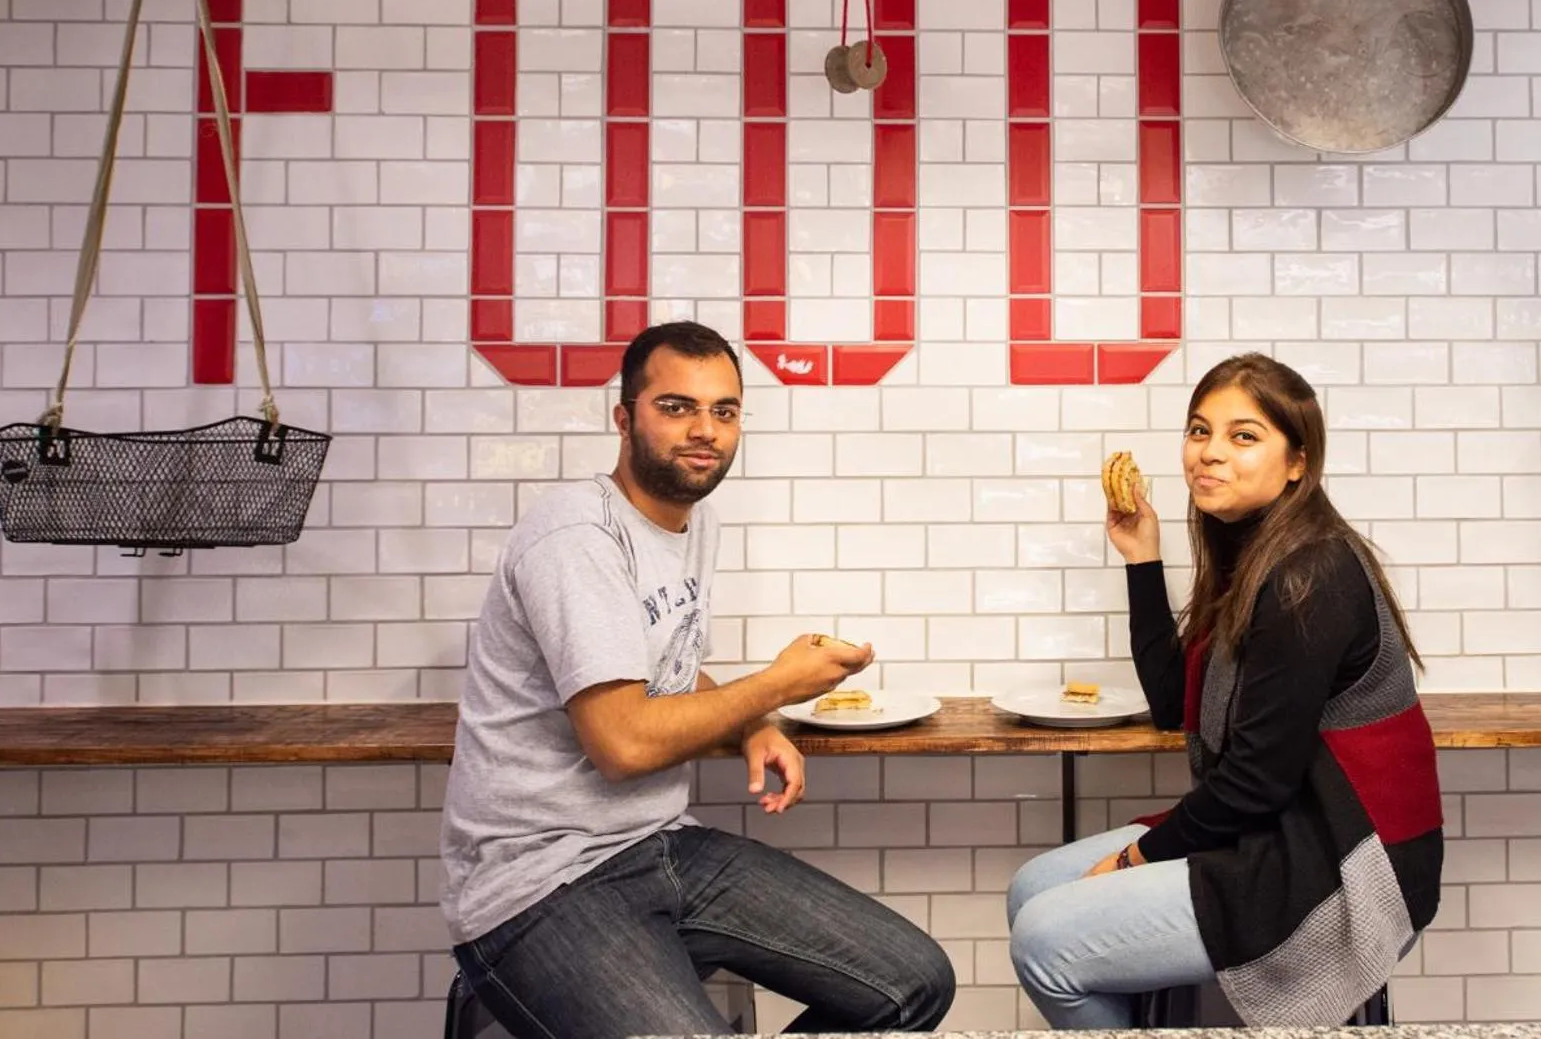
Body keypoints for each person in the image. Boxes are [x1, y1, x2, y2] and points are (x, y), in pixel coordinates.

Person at [441, 320, 956, 1039]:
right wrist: (775, 687)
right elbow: (620, 741)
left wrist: (751, 723)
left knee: (913, 981)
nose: (704, 430)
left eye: (724, 410)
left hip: (659, 844)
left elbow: (667, 663)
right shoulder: (577, 538)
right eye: (676, 406)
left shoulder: (692, 521)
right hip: (536, 887)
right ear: (624, 418)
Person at [1006, 352, 1443, 1028]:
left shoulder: (1309, 575)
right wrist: (1143, 558)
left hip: (1347, 861)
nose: (1209, 453)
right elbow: (1172, 699)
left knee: (1045, 943)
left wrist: (1134, 857)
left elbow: (1256, 781)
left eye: (1244, 435)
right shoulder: (1254, 550)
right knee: (1032, 889)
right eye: (1199, 430)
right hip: (1280, 828)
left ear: (1297, 460)